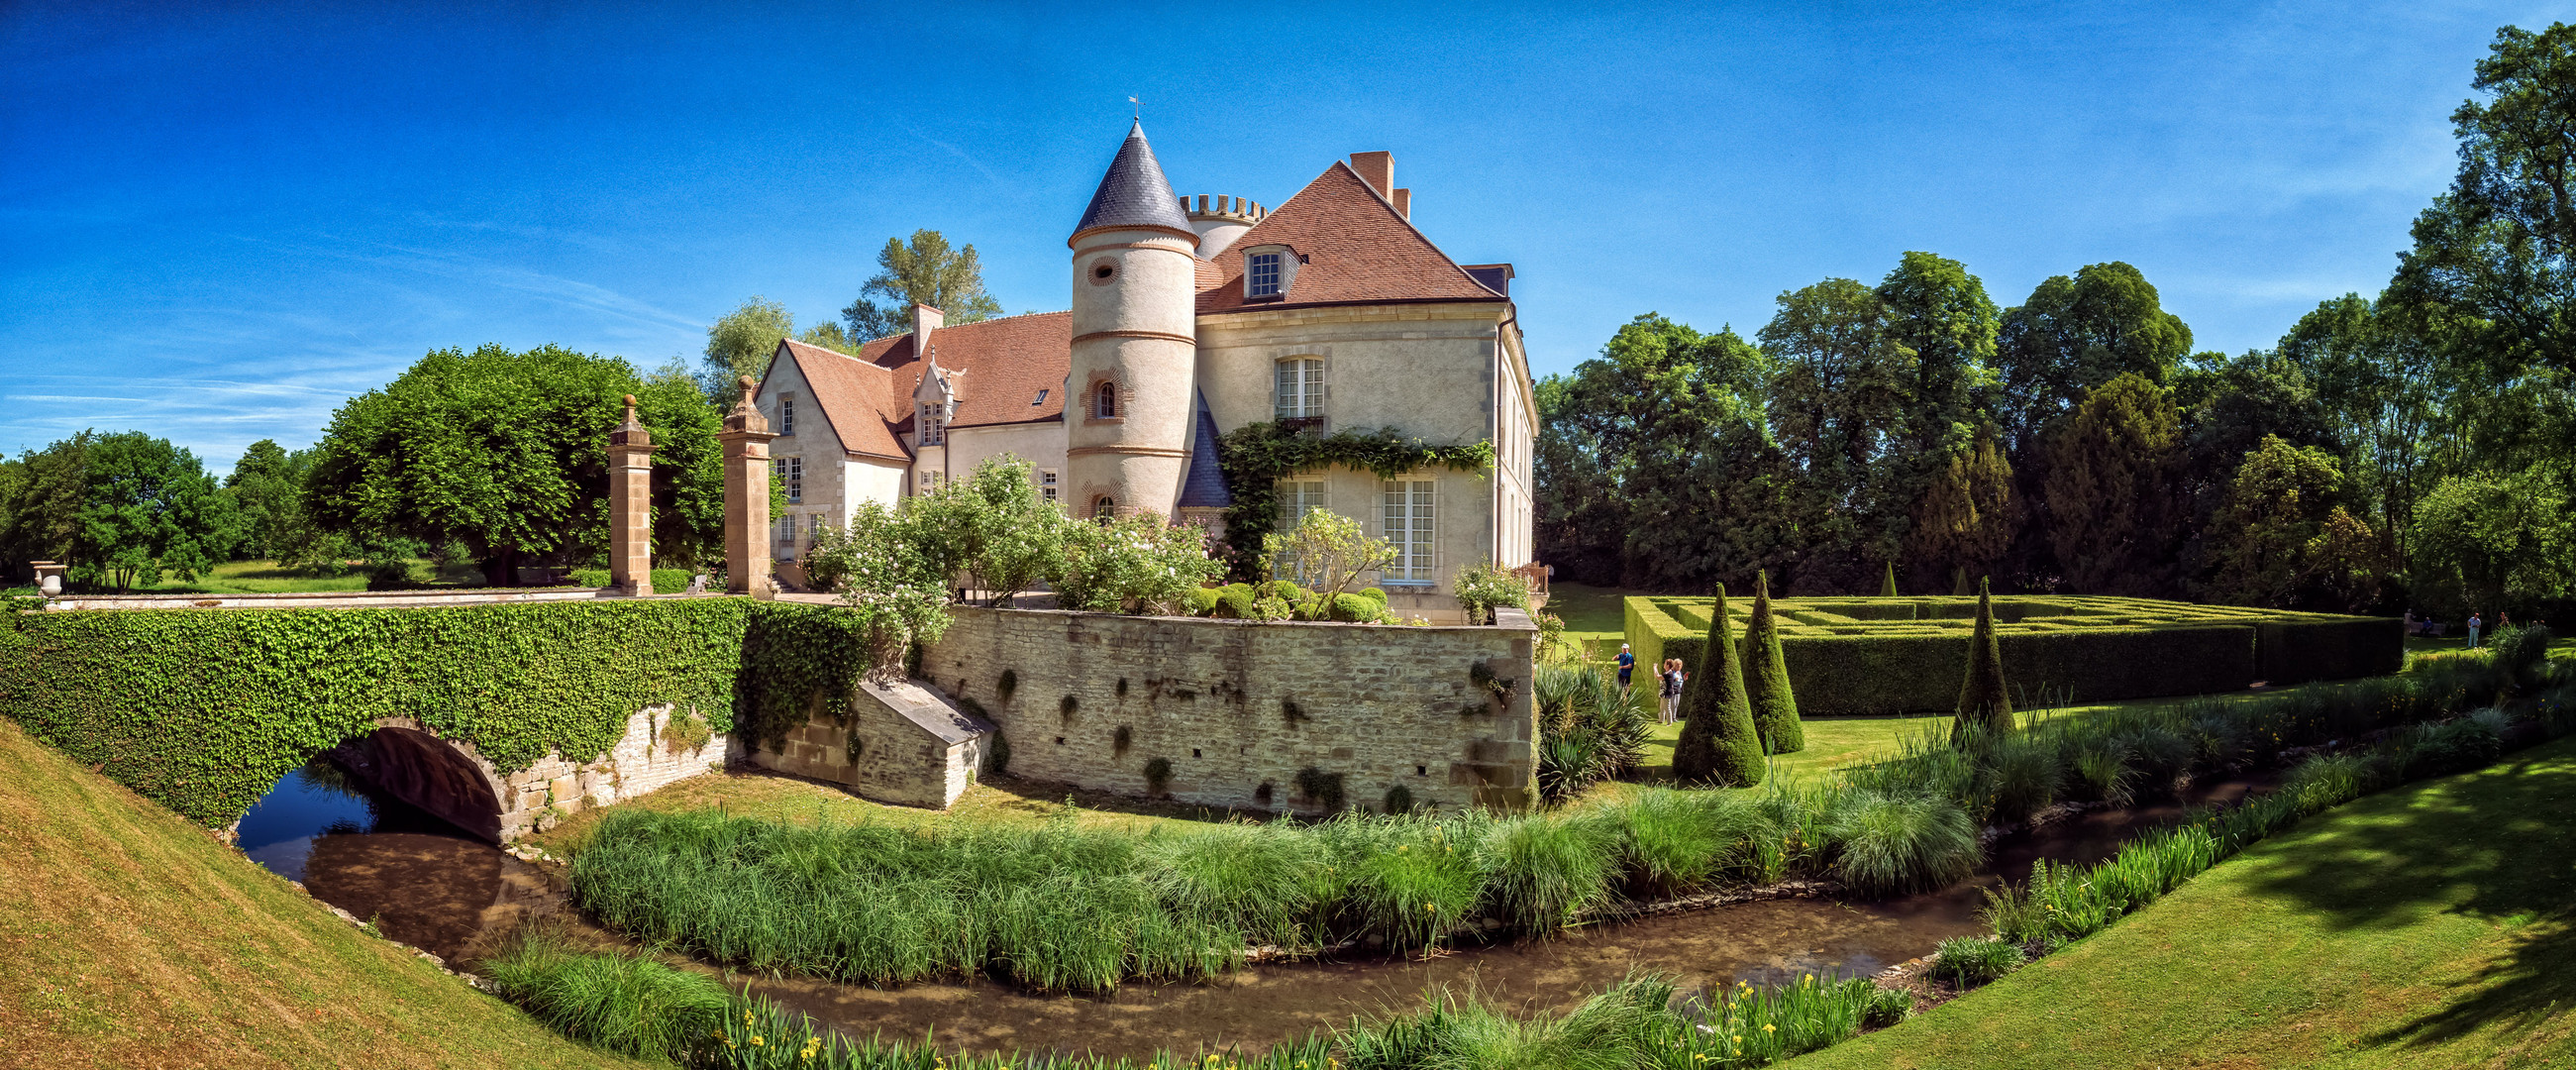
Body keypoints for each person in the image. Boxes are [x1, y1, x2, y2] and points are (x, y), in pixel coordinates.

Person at [1659, 658, 1687, 724]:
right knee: (1671, 705)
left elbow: (1680, 680)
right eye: (1677, 664)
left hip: (1678, 690)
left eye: (1680, 665)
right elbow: (1670, 681)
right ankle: (1670, 719)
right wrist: (1675, 680)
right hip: (1673, 690)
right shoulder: (1672, 672)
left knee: (1676, 705)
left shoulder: (1679, 672)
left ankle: (1673, 717)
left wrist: (1684, 678)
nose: (1678, 666)